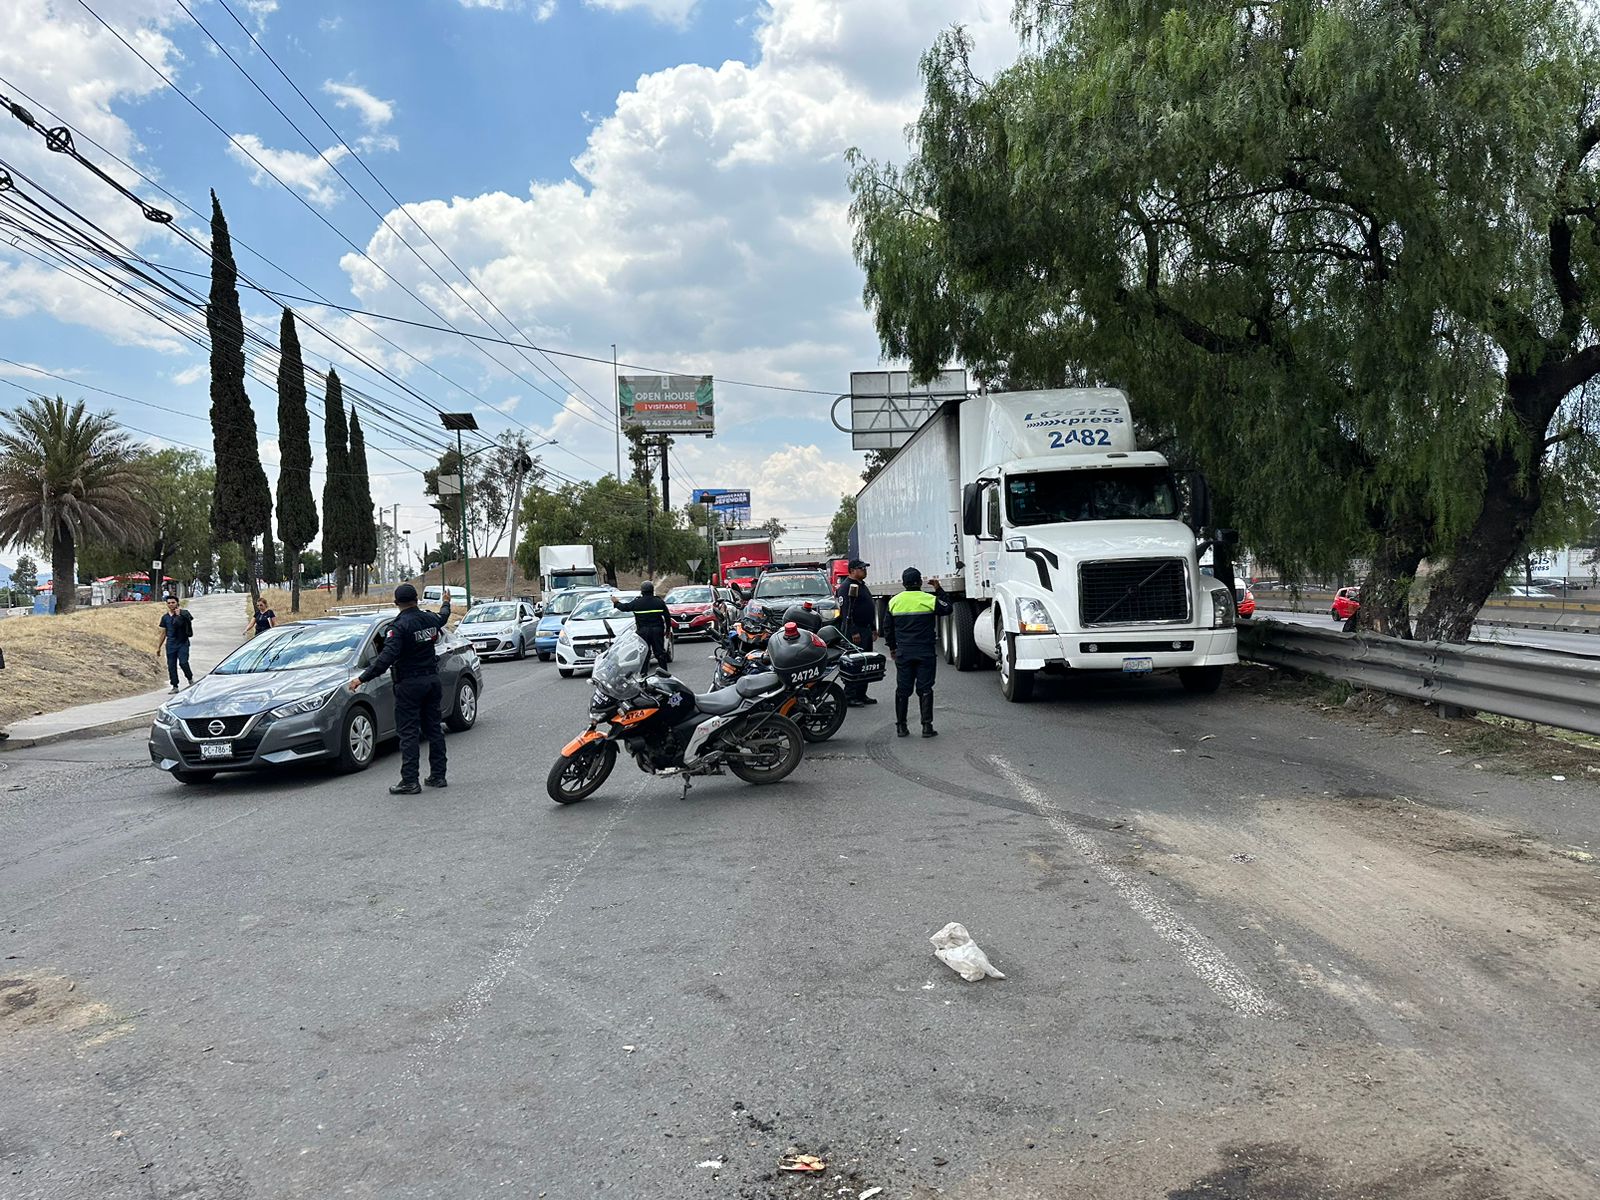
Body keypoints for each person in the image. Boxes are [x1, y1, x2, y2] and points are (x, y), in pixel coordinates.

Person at [348, 584, 452, 795]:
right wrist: (446, 602)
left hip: (409, 685)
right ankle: (438, 775)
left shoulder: (399, 627)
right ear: (416, 599)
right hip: (431, 681)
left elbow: (386, 658)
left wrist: (362, 678)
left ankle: (410, 781)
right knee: (434, 728)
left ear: (396, 603)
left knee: (408, 733)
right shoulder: (429, 619)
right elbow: (443, 617)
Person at [885, 567, 951, 738]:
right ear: (920, 582)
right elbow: (947, 608)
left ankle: (901, 727)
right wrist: (939, 589)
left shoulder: (894, 601)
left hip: (904, 652)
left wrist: (892, 648)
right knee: (925, 688)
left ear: (903, 583)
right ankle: (927, 727)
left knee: (903, 690)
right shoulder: (928, 599)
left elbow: (888, 628)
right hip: (925, 652)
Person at [835, 559, 878, 706]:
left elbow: (867, 608)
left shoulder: (862, 586)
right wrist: (853, 631)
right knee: (855, 663)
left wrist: (872, 627)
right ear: (852, 570)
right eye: (861, 568)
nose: (864, 571)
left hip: (865, 628)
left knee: (865, 662)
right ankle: (850, 695)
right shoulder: (846, 587)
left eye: (865, 568)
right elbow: (846, 611)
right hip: (855, 631)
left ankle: (861, 693)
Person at [612, 581, 671, 672]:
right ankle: (664, 673)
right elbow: (667, 616)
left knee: (644, 653)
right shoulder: (659, 602)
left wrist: (616, 603)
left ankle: (643, 675)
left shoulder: (637, 603)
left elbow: (624, 608)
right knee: (660, 653)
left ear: (642, 591)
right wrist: (667, 630)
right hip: (657, 631)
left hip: (643, 632)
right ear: (652, 590)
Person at [155, 595, 196, 693]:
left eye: (173, 602)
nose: (171, 604)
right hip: (171, 644)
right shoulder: (165, 617)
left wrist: (179, 615)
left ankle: (190, 679)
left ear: (177, 603)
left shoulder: (185, 613)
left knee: (183, 662)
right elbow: (163, 632)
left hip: (183, 642)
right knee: (171, 665)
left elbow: (188, 624)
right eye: (168, 603)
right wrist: (159, 647)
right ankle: (175, 686)